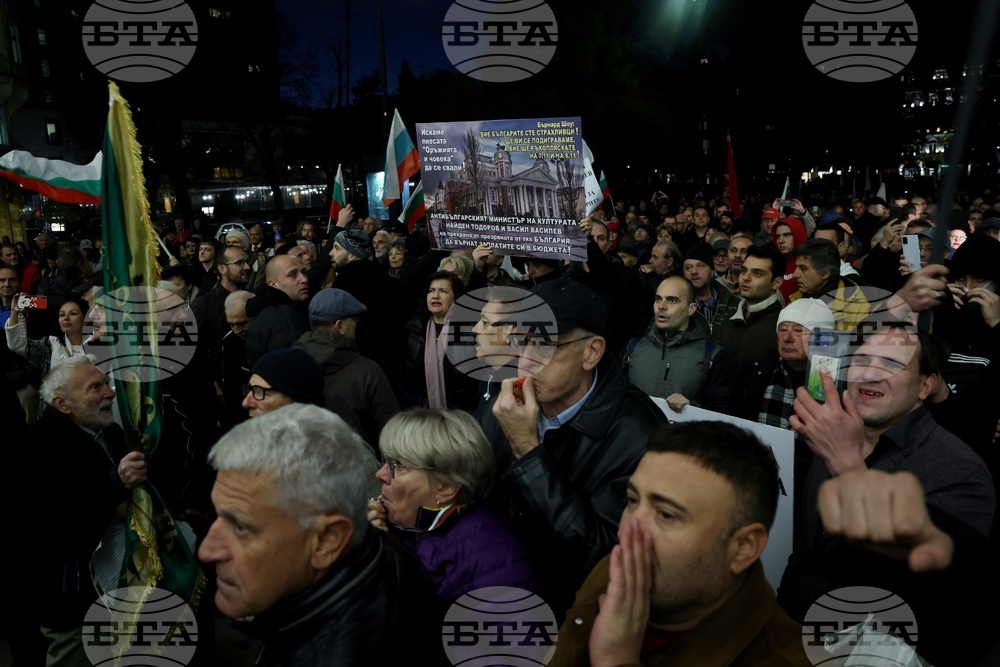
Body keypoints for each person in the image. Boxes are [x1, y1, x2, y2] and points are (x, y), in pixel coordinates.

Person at [777, 327, 995, 656]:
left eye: (892, 364)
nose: (869, 373)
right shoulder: (839, 436)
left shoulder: (961, 471)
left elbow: (936, 590)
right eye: (861, 359)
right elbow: (808, 550)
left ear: (926, 385)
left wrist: (847, 466)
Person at [197, 404, 445, 666]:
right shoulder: (379, 549)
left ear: (328, 540)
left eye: (241, 528)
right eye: (219, 515)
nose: (206, 550)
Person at [477, 278, 668, 617]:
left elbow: (601, 560)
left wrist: (527, 450)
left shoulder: (641, 435)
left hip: (572, 617)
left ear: (591, 352)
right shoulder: (502, 398)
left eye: (545, 344)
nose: (526, 360)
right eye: (520, 341)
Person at [551, 421, 810, 667]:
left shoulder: (787, 659)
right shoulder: (612, 572)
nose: (626, 533)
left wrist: (615, 661)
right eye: (632, 500)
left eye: (666, 514)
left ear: (743, 546)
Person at [7, 357, 146, 667]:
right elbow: (51, 523)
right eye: (94, 387)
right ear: (63, 403)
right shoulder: (38, 447)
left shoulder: (109, 432)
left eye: (105, 383)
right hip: (67, 598)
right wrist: (114, 482)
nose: (109, 393)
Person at [366, 409, 535, 603]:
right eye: (386, 460)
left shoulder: (491, 563)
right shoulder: (392, 528)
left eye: (399, 465)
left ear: (446, 487)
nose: (381, 473)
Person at [295, 288, 400, 448]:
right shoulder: (369, 372)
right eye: (355, 318)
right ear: (340, 326)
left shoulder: (289, 363)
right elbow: (392, 433)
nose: (357, 324)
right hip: (358, 467)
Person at [623, 275, 731, 413]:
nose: (661, 306)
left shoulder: (712, 355)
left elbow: (722, 413)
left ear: (691, 309)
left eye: (672, 300)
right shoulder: (633, 347)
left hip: (684, 433)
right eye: (658, 299)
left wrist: (691, 408)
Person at [718, 243, 786, 419]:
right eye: (743, 271)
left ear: (777, 282)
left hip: (757, 426)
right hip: (719, 419)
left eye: (757, 273)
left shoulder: (783, 327)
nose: (746, 278)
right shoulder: (729, 318)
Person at [398, 271, 479, 411]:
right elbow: (404, 375)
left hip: (460, 413)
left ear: (456, 297)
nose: (435, 295)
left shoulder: (470, 331)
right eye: (431, 290)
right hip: (419, 410)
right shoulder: (414, 329)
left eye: (443, 291)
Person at [245, 254, 311, 368]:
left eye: (304, 272)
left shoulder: (268, 309)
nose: (304, 279)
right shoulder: (285, 320)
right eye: (292, 275)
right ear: (273, 284)